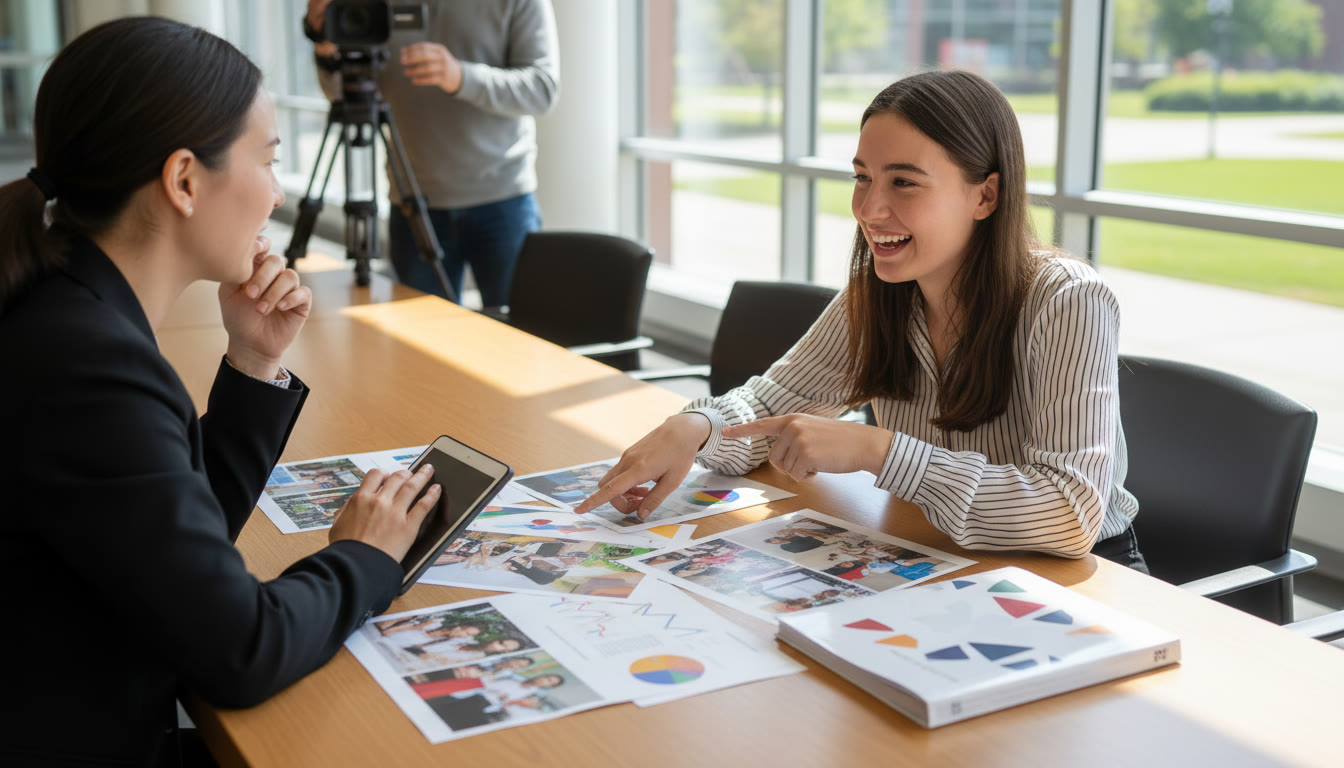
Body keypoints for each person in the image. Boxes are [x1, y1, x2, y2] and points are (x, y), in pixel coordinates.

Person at [0, 17, 445, 766]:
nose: (277, 193)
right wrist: (368, 559)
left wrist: (252, 359)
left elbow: (169, 536)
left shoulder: (65, 308)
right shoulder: (87, 365)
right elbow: (242, 649)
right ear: (182, 180)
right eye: (267, 161)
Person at [576, 70, 1146, 571]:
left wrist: (879, 451)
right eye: (862, 177)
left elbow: (1071, 513)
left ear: (986, 195)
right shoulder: (883, 288)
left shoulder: (1067, 300)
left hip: (1069, 577)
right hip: (933, 553)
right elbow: (774, 406)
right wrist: (697, 427)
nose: (870, 209)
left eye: (903, 181)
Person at [304, 0, 559, 307]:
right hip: (413, 201)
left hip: (502, 198)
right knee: (420, 338)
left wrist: (462, 77)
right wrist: (325, 41)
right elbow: (343, 95)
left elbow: (543, 90)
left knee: (520, 336)